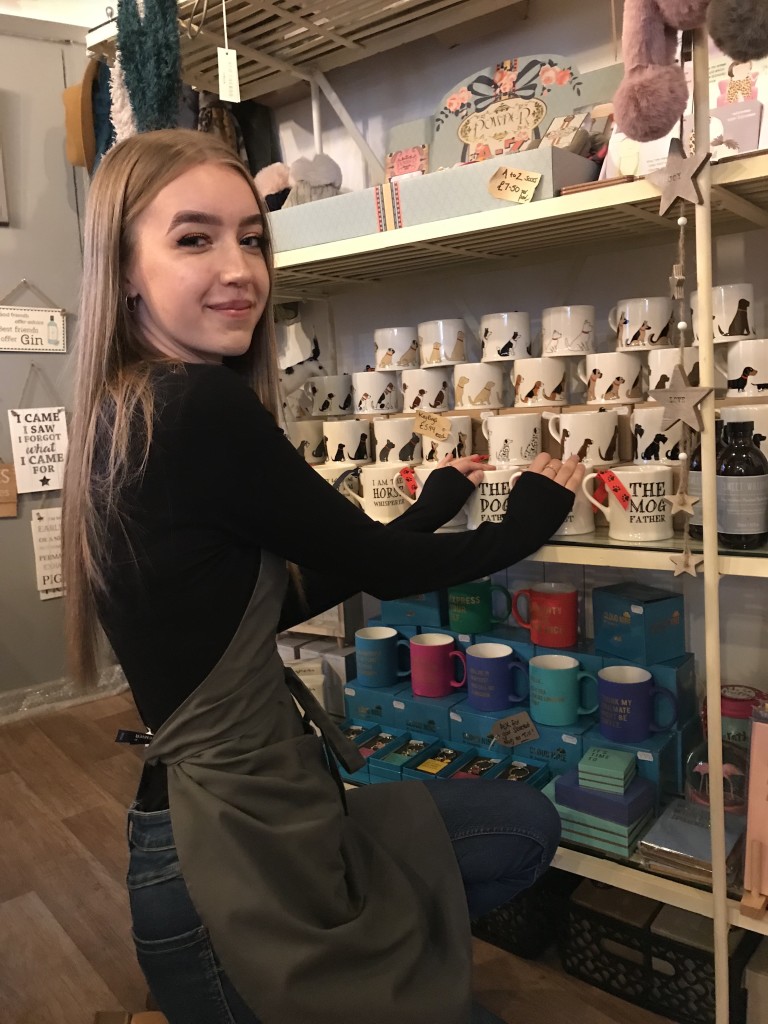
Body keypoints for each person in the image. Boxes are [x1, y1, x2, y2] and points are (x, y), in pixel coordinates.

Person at [62, 128, 585, 1024]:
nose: (240, 269)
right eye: (194, 239)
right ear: (124, 267)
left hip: (212, 828)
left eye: (252, 237)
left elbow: (267, 605)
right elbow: (376, 563)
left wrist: (427, 510)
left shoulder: (128, 409)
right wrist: (527, 517)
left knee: (522, 831)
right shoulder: (198, 406)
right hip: (232, 862)